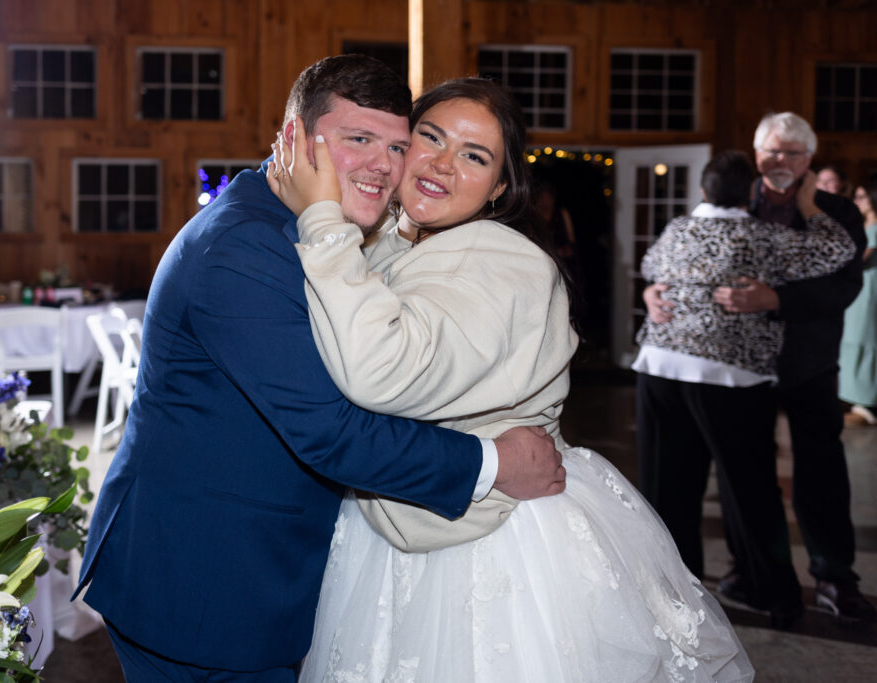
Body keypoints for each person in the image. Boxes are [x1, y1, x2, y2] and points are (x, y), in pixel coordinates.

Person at [73, 56, 566, 682]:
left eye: (395, 145)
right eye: (356, 140)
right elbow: (331, 432)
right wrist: (494, 462)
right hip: (206, 585)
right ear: (294, 139)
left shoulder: (307, 229)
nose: (382, 165)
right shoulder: (243, 251)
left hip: (253, 567)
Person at [269, 78, 753, 682]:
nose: (444, 164)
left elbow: (379, 372)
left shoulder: (502, 258)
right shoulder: (393, 237)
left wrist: (323, 221)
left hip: (488, 541)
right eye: (431, 138)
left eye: (474, 156)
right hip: (404, 513)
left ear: (499, 187)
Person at [644, 112, 872, 623]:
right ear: (755, 154)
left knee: (821, 471)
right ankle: (751, 570)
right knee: (742, 476)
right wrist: (653, 291)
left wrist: (777, 298)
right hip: (739, 369)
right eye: (771, 151)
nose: (781, 162)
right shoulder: (733, 198)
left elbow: (845, 283)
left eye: (793, 152)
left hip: (807, 361)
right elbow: (684, 260)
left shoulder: (833, 212)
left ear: (809, 159)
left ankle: (834, 575)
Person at [840, 179, 877, 425]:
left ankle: (866, 402)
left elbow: (859, 259)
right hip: (858, 289)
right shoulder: (865, 225)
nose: (857, 202)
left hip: (869, 290)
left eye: (862, 197)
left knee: (864, 339)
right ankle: (855, 398)